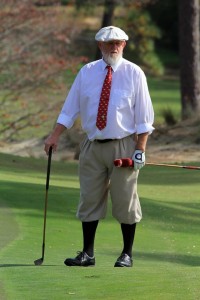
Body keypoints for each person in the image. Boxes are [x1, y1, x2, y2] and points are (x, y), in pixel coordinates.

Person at [44, 26, 154, 267]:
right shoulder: (87, 72)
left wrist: (140, 149)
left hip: (123, 146)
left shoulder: (134, 73)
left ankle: (127, 254)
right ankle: (87, 254)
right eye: (108, 43)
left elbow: (144, 118)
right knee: (89, 199)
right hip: (92, 145)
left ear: (124, 45)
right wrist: (54, 135)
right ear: (100, 46)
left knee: (125, 200)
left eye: (118, 42)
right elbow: (69, 109)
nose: (113, 47)